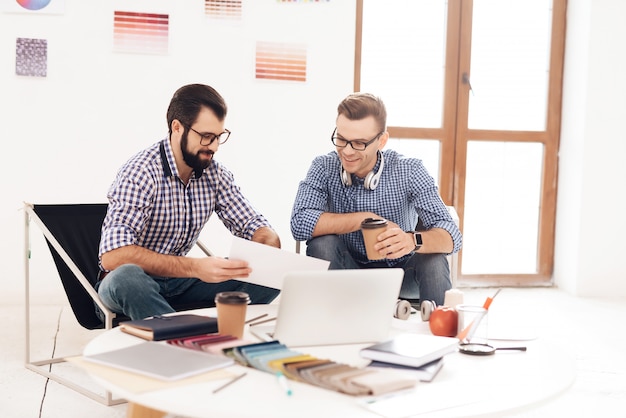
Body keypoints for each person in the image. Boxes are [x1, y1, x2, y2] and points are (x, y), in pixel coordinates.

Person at [96, 83, 280, 321]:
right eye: (206, 137)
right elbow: (113, 255)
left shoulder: (214, 174)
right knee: (127, 277)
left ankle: (189, 329)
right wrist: (194, 267)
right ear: (177, 127)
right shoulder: (140, 173)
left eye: (218, 137)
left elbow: (256, 226)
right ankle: (186, 341)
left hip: (180, 284)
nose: (213, 147)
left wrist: (265, 248)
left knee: (273, 274)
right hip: (131, 286)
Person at [290, 92, 462, 306]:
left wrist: (411, 240)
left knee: (434, 259)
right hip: (347, 273)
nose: (347, 151)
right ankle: (330, 326)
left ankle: (439, 332)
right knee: (322, 244)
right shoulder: (323, 167)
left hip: (400, 275)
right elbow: (300, 223)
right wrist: (364, 219)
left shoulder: (409, 170)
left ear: (381, 141)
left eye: (359, 143)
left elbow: (452, 235)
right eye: (341, 139)